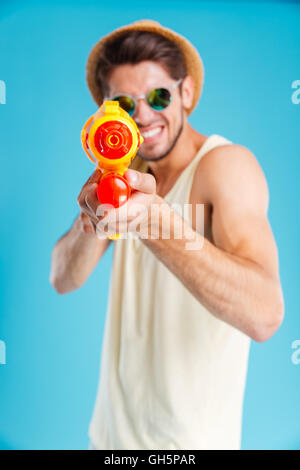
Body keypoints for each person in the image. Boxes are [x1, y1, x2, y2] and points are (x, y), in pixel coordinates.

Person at [50, 20, 284, 450]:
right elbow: (63, 278)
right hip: (108, 441)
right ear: (108, 113)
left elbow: (265, 313)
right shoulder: (126, 174)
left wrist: (156, 224)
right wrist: (94, 216)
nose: (143, 114)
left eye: (158, 96)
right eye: (124, 103)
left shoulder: (225, 166)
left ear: (186, 93)